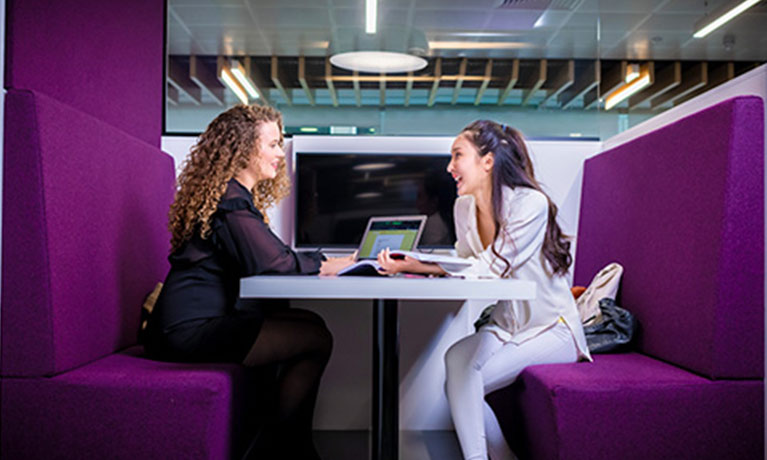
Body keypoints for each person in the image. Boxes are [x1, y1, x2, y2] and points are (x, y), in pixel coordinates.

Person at [146, 104, 354, 460]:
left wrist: (318, 262)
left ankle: (289, 444)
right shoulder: (229, 201)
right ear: (243, 149)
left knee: (311, 323)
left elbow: (271, 256)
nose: (280, 152)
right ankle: (290, 448)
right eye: (272, 144)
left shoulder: (234, 197)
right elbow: (272, 261)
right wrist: (326, 263)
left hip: (192, 323)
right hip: (188, 332)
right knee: (316, 338)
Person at [377, 120, 592, 460]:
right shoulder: (463, 208)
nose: (449, 167)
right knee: (456, 359)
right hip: (508, 326)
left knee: (465, 381)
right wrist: (414, 264)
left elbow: (488, 269)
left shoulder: (529, 204)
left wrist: (417, 265)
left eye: (457, 155)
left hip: (553, 330)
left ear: (487, 161)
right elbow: (464, 261)